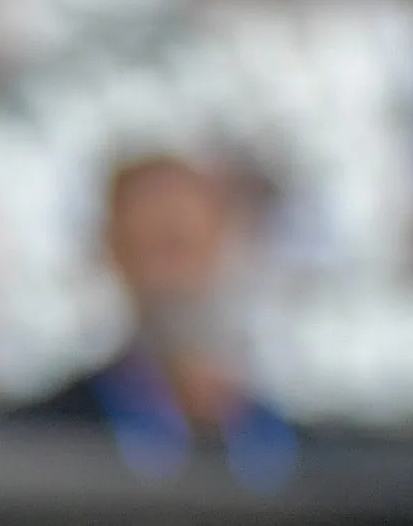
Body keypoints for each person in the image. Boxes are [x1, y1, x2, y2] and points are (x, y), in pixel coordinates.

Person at [27, 155, 296, 490]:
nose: (169, 278)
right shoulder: (50, 438)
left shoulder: (283, 442)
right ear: (114, 255)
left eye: (181, 245)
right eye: (146, 249)